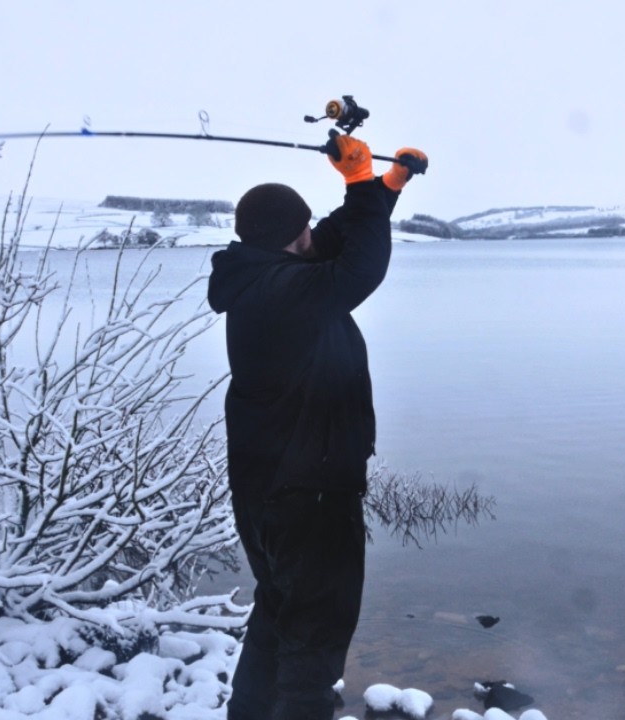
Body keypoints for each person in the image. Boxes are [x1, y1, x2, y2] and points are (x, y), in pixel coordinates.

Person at [207, 135, 428, 720]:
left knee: (280, 612)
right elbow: (359, 267)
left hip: (268, 492)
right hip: (309, 493)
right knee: (316, 635)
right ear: (286, 239)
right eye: (302, 230)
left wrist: (382, 189)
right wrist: (357, 181)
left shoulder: (259, 275)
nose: (313, 236)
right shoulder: (285, 291)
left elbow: (330, 239)